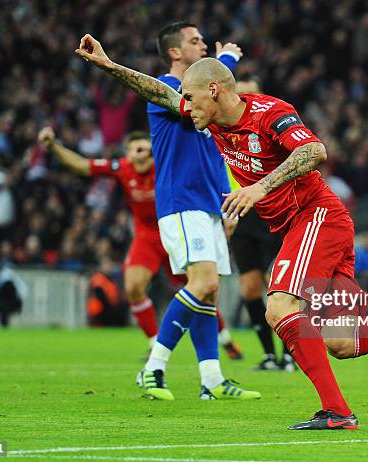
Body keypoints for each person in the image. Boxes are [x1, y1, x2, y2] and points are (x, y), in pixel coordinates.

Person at [75, 34, 368, 429]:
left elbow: (315, 150)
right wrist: (109, 66)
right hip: (311, 228)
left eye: (190, 96)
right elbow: (161, 93)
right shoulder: (207, 114)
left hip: (316, 218)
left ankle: (336, 412)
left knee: (278, 307)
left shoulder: (269, 113)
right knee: (341, 341)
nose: (183, 106)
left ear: (214, 91)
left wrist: (258, 188)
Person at [82, 23, 258, 401]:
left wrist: (226, 203)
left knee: (209, 295)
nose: (203, 45)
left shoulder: (208, 102)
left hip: (209, 202)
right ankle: (153, 368)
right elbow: (197, 92)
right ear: (176, 53)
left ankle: (211, 378)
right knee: (203, 284)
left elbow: (215, 155)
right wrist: (225, 59)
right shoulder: (167, 86)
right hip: (182, 201)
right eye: (195, 42)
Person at [38, 128, 162, 346]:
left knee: (201, 287)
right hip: (146, 236)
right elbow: (82, 165)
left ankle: (224, 337)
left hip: (176, 231)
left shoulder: (166, 162)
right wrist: (53, 146)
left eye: (145, 149)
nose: (141, 155)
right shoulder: (122, 168)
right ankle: (156, 345)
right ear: (127, 154)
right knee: (133, 288)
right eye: (135, 150)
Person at [233, 75, 293, 371]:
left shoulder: (269, 125)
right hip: (243, 216)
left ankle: (291, 354)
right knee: (249, 289)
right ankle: (270, 355)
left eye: (250, 96)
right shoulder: (223, 134)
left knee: (279, 283)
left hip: (275, 212)